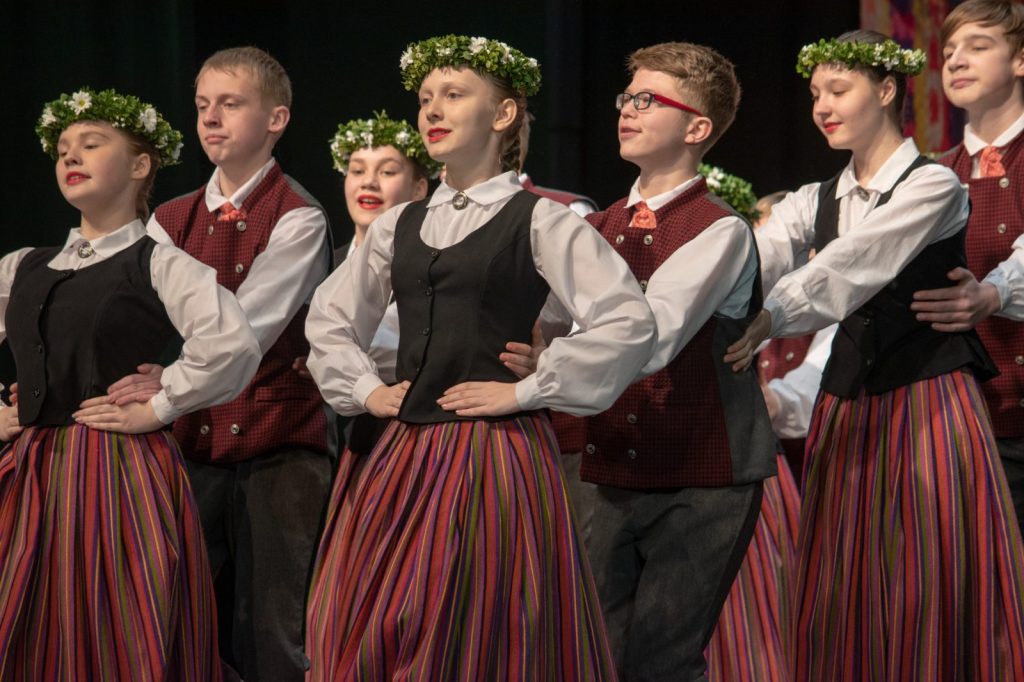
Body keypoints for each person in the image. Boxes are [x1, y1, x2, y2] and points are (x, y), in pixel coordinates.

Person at [303, 34, 656, 680]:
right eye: (425, 98)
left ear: (503, 114)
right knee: (384, 621)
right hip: (404, 454)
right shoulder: (399, 225)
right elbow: (330, 317)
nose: (432, 110)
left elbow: (628, 321)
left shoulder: (541, 221)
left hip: (494, 455)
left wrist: (529, 388)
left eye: (453, 95)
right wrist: (366, 390)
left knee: (475, 627)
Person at [725, 30, 1024, 680]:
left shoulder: (934, 185)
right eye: (815, 93)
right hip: (847, 406)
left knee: (924, 573)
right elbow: (754, 252)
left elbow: (853, 264)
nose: (822, 106)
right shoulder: (814, 198)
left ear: (887, 90)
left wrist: (771, 315)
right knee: (846, 576)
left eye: (839, 89)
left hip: (926, 400)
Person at [0, 87, 260, 680]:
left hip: (112, 469)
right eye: (63, 149)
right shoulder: (24, 265)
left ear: (140, 165)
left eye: (92, 144)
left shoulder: (158, 262)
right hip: (31, 466)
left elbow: (233, 345)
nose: (72, 156)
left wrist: (161, 405)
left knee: (111, 621)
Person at [105, 47, 335, 681]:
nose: (210, 118)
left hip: (279, 445)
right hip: (192, 444)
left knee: (270, 628)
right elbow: (128, 309)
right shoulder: (169, 218)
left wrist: (167, 379)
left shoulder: (298, 217)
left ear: (276, 119)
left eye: (230, 104)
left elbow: (244, 331)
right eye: (203, 104)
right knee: (176, 613)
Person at [572, 42, 774, 681]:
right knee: (593, 652)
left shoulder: (718, 228)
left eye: (647, 100)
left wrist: (550, 364)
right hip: (609, 469)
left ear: (696, 128)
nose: (627, 110)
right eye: (626, 97)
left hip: (701, 475)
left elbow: (652, 338)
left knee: (662, 660)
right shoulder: (594, 226)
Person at [911, 0, 1024, 537]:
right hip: (967, 426)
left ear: (1020, 60)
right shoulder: (935, 175)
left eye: (978, 47)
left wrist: (994, 293)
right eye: (950, 50)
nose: (956, 60)